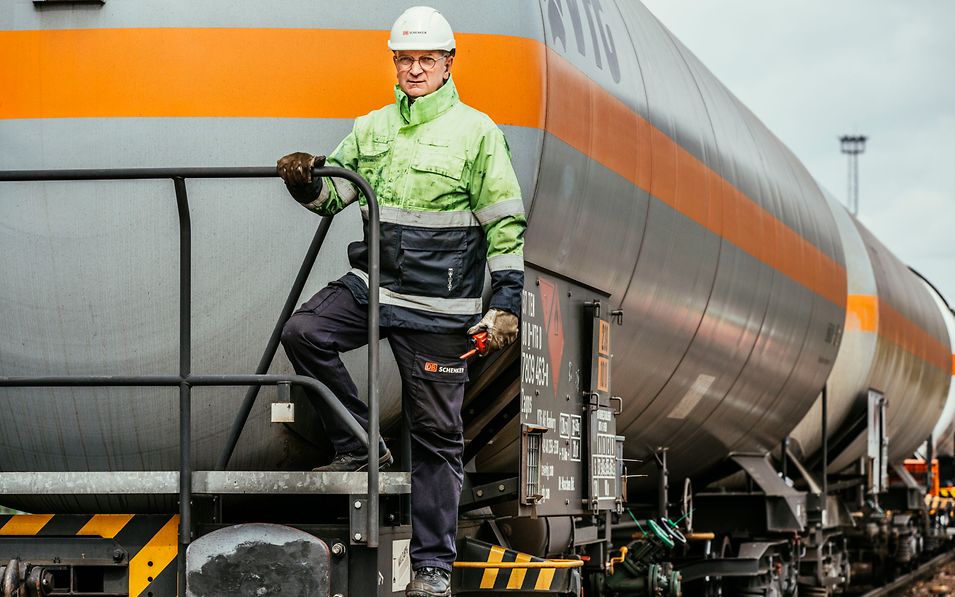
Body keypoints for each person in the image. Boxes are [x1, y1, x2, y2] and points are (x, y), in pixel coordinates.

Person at [276, 6, 525, 596]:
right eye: (405, 59)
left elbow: (504, 225)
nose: (414, 69)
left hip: (440, 309)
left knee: (438, 437)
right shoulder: (372, 128)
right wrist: (305, 179)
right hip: (376, 289)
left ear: (448, 63)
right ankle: (361, 444)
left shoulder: (478, 134)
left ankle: (433, 569)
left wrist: (508, 301)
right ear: (395, 62)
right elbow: (333, 196)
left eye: (426, 59)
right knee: (304, 332)